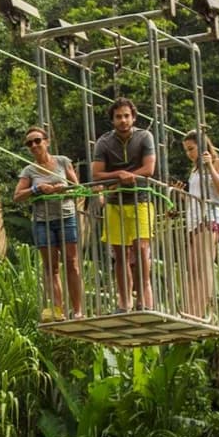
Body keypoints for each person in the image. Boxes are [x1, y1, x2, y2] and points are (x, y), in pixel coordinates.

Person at [90, 97, 157, 311]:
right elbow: (96, 173)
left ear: (134, 117)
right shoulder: (104, 142)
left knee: (141, 249)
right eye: (118, 117)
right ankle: (124, 299)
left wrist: (128, 176)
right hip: (114, 203)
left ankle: (144, 297)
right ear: (112, 120)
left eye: (127, 116)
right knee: (119, 254)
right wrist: (119, 175)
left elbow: (149, 169)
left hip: (140, 200)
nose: (123, 120)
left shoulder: (144, 137)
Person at [14, 125, 85, 318]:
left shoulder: (62, 162)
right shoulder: (28, 170)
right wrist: (36, 190)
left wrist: (63, 188)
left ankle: (77, 310)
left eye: (37, 141)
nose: (34, 145)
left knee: (72, 262)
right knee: (51, 267)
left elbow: (78, 188)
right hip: (43, 221)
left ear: (46, 142)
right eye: (30, 143)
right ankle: (57, 310)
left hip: (66, 216)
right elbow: (17, 196)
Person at [172, 129, 219, 320]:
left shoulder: (218, 163)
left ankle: (198, 311)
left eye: (192, 149)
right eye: (187, 150)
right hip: (194, 220)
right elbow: (195, 198)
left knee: (204, 264)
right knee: (192, 266)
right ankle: (190, 308)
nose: (189, 154)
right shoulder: (194, 170)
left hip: (209, 218)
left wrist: (210, 167)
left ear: (202, 146)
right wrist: (179, 195)